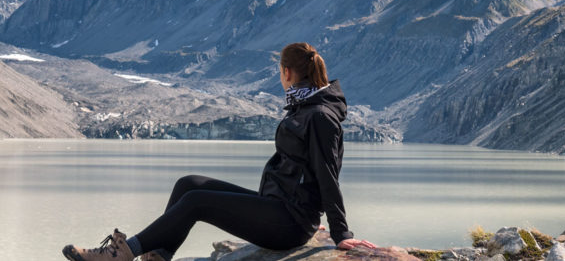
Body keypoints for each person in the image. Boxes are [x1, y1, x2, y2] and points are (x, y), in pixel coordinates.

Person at [62, 42, 377, 261]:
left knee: (198, 202)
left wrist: (339, 232)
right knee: (189, 184)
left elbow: (327, 173)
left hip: (289, 223)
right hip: (279, 208)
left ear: (286, 73)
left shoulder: (319, 115)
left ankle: (122, 253)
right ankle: (159, 256)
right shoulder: (304, 107)